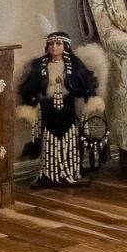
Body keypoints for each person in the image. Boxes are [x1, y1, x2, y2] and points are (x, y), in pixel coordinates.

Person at [16, 32, 103, 187]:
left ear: (65, 46)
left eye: (58, 44)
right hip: (48, 112)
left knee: (70, 142)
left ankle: (71, 173)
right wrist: (28, 107)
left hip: (67, 112)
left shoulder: (74, 65)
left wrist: (90, 99)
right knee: (50, 142)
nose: (54, 47)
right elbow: (30, 88)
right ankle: (49, 175)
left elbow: (86, 83)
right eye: (51, 44)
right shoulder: (40, 65)